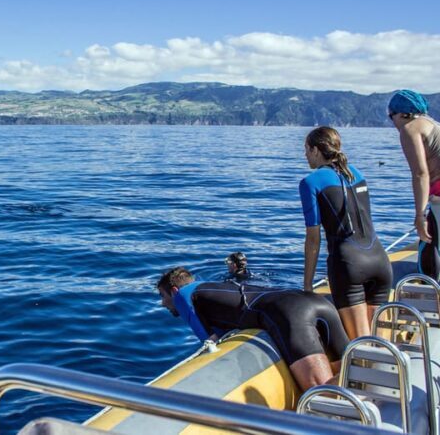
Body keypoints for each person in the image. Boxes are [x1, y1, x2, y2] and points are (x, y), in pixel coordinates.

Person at [156, 267, 348, 392]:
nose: (163, 303)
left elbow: (210, 341)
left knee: (321, 394)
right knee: (352, 373)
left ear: (173, 290)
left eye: (163, 296)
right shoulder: (210, 288)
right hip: (314, 301)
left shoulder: (182, 295)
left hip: (290, 313)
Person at [299, 126, 392, 339]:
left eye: (306, 149)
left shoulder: (310, 182)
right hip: (380, 261)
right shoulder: (356, 174)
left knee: (361, 346)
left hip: (349, 265)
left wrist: (307, 286)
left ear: (315, 150)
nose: (305, 155)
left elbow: (313, 239)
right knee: (382, 345)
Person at [388, 90, 440, 278]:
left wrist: (420, 215)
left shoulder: (410, 129)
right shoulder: (434, 125)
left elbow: (420, 173)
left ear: (403, 114)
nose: (392, 122)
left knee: (431, 255)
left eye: (391, 116)